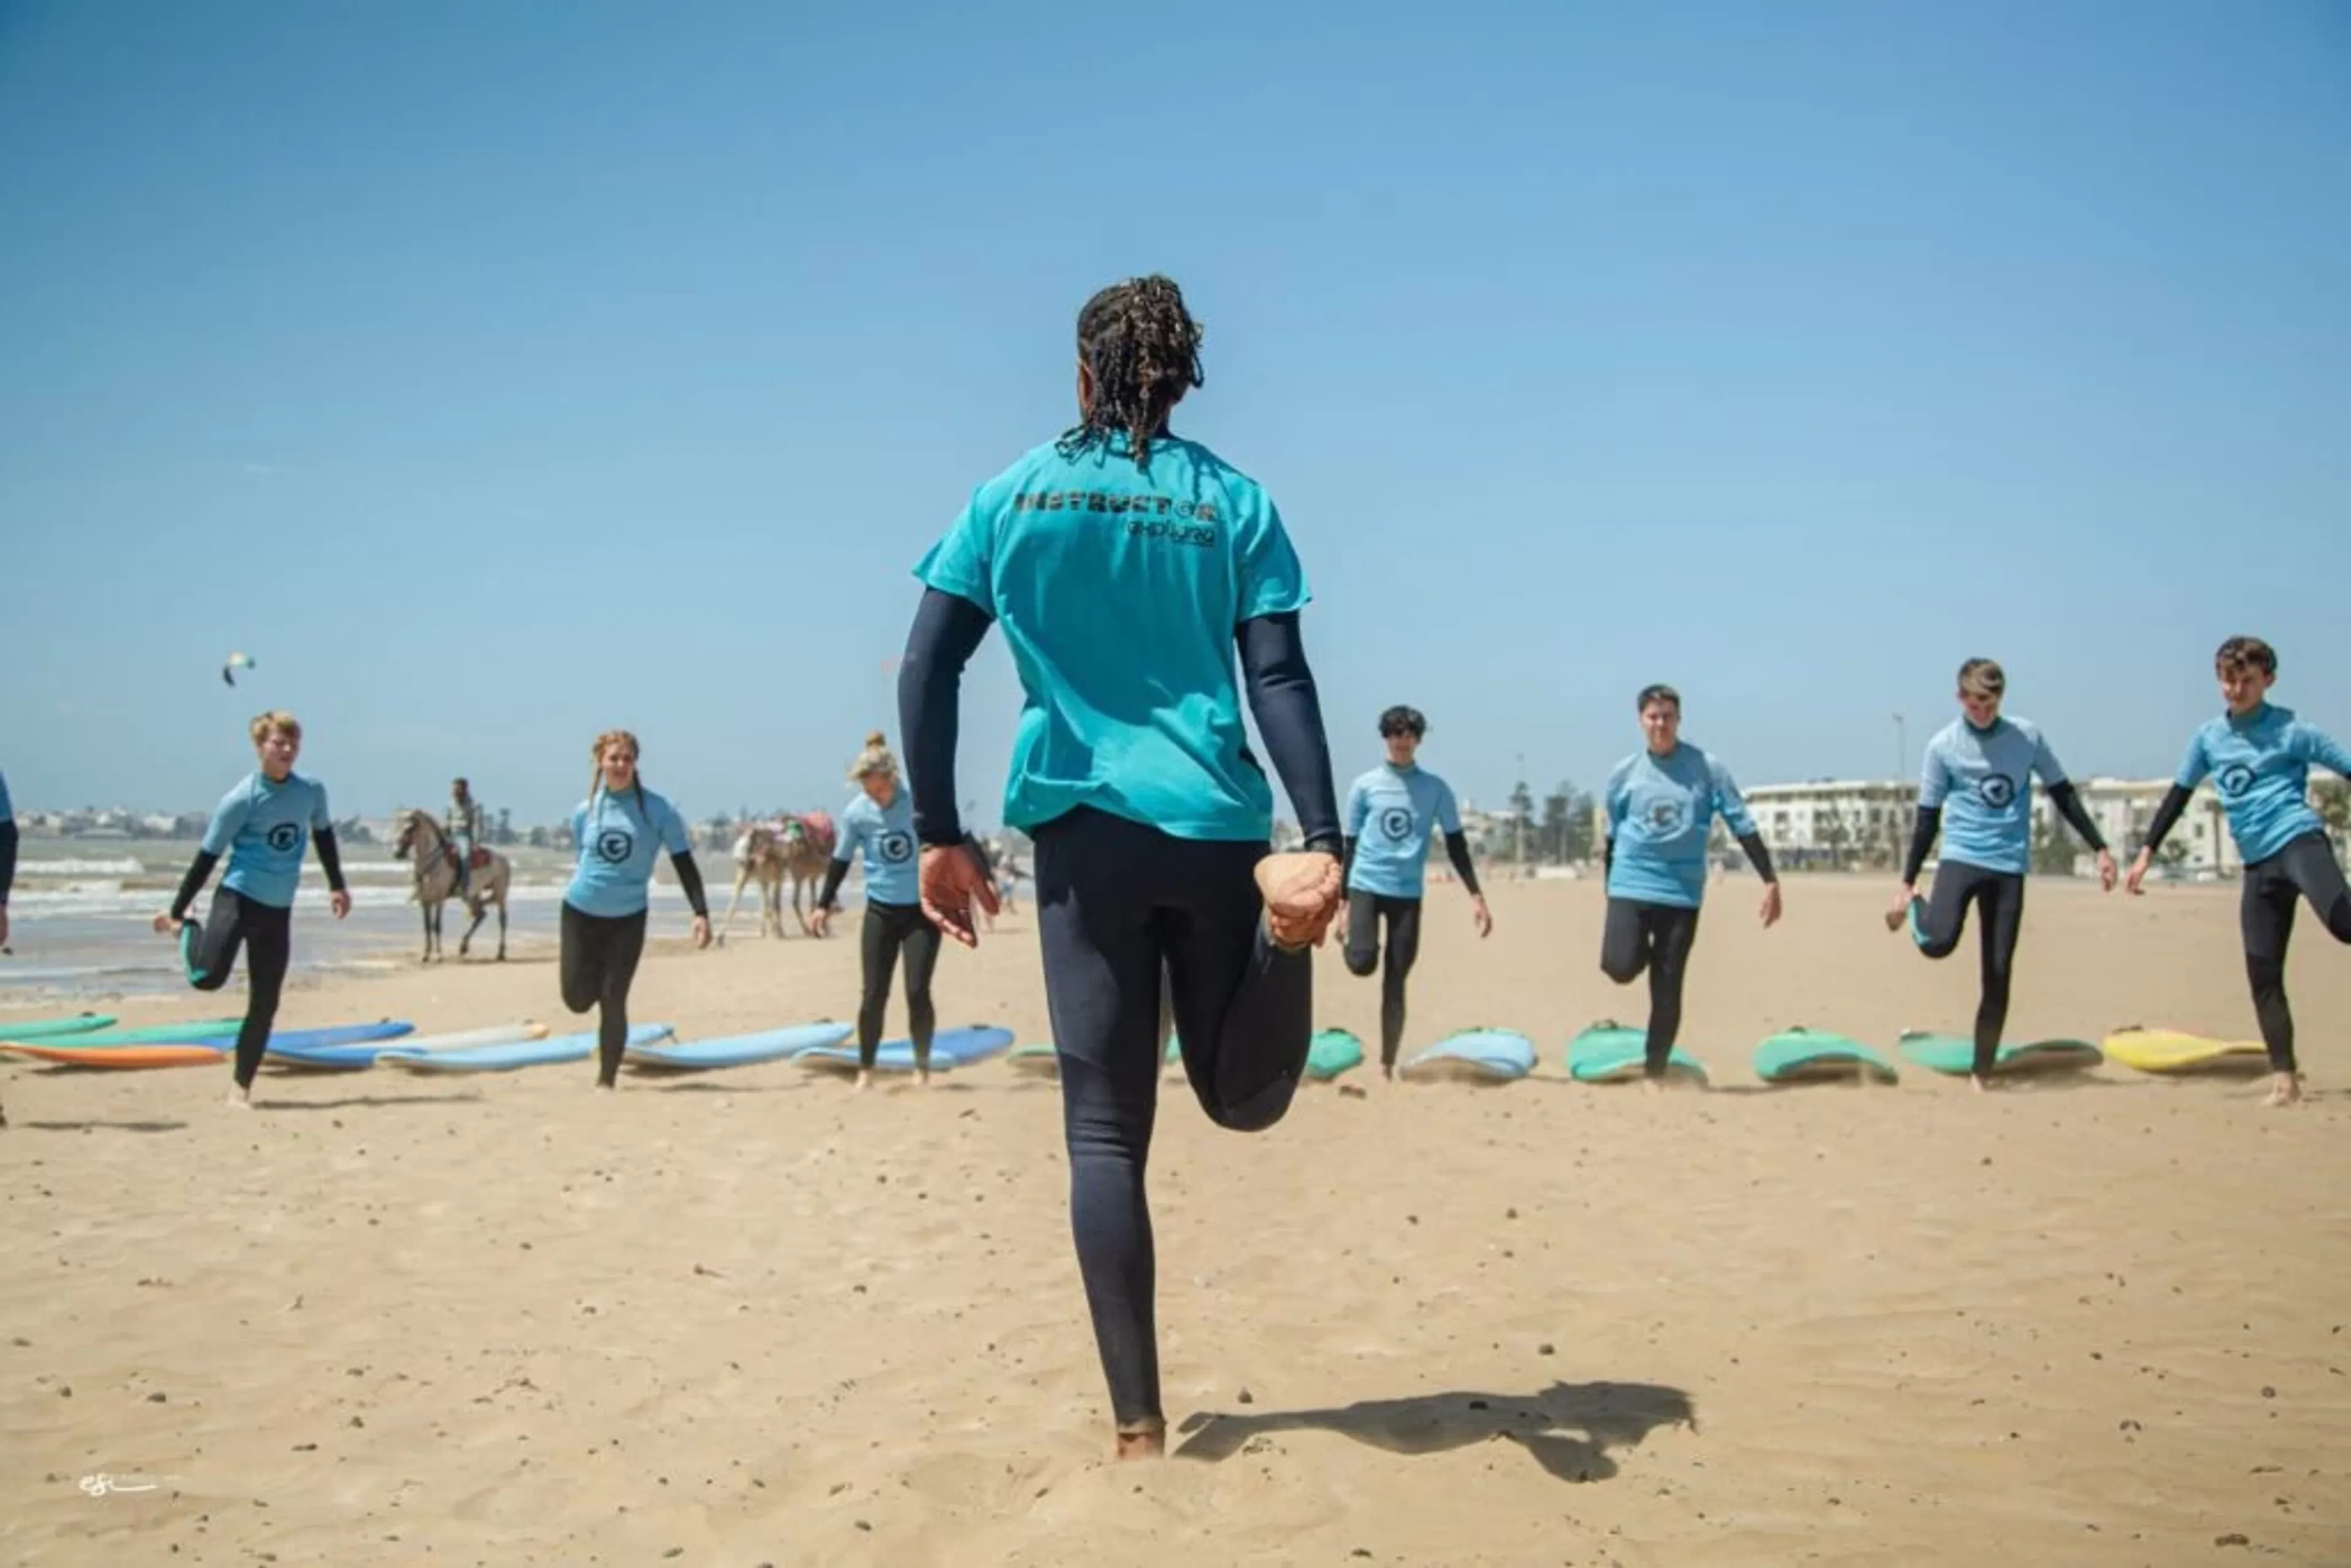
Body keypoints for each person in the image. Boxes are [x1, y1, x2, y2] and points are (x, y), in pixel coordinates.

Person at [893, 274, 1345, 1460]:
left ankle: (1141, 1425)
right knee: (1241, 1098)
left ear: (1084, 374)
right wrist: (1324, 836)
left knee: (1104, 1135)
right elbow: (1279, 679)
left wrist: (937, 828)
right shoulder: (1234, 503)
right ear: (1181, 376)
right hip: (1216, 823)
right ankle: (1286, 938)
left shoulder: (1011, 494)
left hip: (1083, 833)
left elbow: (928, 666)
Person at [2126, 636, 2351, 1108]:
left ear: (2267, 680)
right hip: (2258, 866)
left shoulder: (2292, 730)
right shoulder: (2209, 738)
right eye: (2229, 679)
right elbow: (2179, 794)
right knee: (2263, 973)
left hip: (2299, 842)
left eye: (2247, 679)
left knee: (2344, 925)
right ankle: (2285, 1080)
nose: (2237, 689)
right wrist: (2146, 851)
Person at [1886, 658, 2117, 1090]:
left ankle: (1982, 1073)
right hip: (1962, 856)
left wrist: (2100, 846)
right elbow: (1927, 817)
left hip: (2008, 864)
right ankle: (1918, 904)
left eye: (1990, 704)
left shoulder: (2026, 737)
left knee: (1998, 971)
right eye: (1975, 703)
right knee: (1938, 943)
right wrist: (1906, 880)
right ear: (1960, 698)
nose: (1983, 712)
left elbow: (2063, 793)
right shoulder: (1943, 746)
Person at [152, 711, 351, 1108]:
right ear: (260, 747)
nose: (288, 749)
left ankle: (240, 1088)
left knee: (265, 1002)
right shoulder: (240, 799)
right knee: (207, 977)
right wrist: (177, 910)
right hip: (237, 899)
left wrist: (337, 885)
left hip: (278, 910)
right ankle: (186, 930)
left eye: (294, 742)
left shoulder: (311, 791)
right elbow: (207, 856)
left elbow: (324, 836)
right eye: (279, 742)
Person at [1600, 685, 1780, 1088]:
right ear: (1640, 720)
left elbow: (1742, 822)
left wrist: (1769, 878)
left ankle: (1655, 1073)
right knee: (1618, 964)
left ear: (1678, 720)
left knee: (1668, 985)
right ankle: (1638, 949)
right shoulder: (1624, 774)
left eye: (1668, 716)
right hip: (1631, 883)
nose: (1660, 724)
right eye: (1653, 716)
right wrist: (1609, 892)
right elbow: (1613, 836)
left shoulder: (1707, 769)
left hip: (1681, 892)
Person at [1341, 705, 1491, 1078]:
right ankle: (1354, 941)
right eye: (1394, 734)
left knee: (1397, 978)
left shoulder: (1436, 789)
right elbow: (1349, 846)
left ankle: (1386, 1062)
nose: (1401, 742)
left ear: (1418, 740)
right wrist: (1342, 904)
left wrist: (1476, 896)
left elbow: (1457, 845)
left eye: (1408, 734)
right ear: (1385, 738)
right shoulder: (1364, 786)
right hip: (1366, 885)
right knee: (1362, 963)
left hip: (1407, 895)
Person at [561, 729, 710, 1089]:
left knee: (614, 1000)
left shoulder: (658, 810)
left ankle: (606, 1082)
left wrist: (700, 912)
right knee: (577, 1000)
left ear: (635, 763)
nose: (621, 765)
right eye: (614, 758)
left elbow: (684, 862)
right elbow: (584, 860)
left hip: (628, 917)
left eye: (627, 759)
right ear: (600, 761)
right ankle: (598, 979)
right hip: (581, 911)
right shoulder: (585, 811)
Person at [810, 731, 943, 1090]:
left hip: (921, 913)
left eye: (877, 788)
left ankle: (922, 1067)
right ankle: (866, 1070)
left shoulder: (917, 804)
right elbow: (840, 861)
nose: (873, 795)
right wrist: (822, 905)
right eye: (867, 790)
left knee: (917, 990)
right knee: (873, 993)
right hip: (880, 912)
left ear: (891, 778)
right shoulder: (857, 813)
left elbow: (946, 843)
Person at [446, 777, 482, 897]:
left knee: (465, 857)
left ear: (464, 789)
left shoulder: (472, 805)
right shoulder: (450, 803)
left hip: (463, 835)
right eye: (454, 788)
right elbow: (447, 819)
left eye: (458, 788)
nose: (455, 791)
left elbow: (476, 824)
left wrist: (476, 842)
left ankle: (463, 886)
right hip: (450, 834)